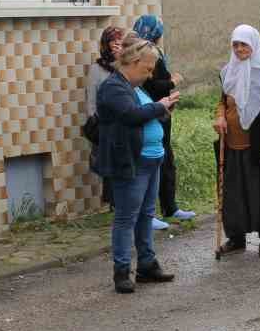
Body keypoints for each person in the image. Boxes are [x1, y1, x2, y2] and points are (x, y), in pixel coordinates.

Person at [93, 38, 179, 293]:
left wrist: (163, 109)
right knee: (126, 217)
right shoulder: (113, 87)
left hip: (151, 159)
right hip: (131, 161)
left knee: (146, 214)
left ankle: (146, 265)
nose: (150, 75)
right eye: (147, 69)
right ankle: (121, 271)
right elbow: (132, 115)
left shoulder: (134, 87)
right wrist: (160, 106)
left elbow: (146, 114)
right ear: (132, 61)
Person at [214, 25, 260, 256]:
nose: (239, 49)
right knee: (234, 195)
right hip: (233, 145)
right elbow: (222, 102)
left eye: (243, 44)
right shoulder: (228, 72)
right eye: (235, 45)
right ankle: (236, 238)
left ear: (254, 44)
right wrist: (220, 117)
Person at [133, 15, 196, 231]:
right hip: (150, 112)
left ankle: (170, 207)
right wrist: (172, 82)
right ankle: (148, 214)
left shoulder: (155, 53)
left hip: (162, 111)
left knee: (166, 159)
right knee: (152, 164)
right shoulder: (144, 56)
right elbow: (152, 85)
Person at [84, 26, 127, 208]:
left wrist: (121, 60)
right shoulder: (97, 69)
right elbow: (91, 99)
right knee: (111, 164)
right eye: (113, 41)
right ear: (105, 44)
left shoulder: (126, 66)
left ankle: (124, 201)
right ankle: (114, 203)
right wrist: (95, 122)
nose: (117, 44)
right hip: (106, 123)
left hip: (126, 119)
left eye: (120, 41)